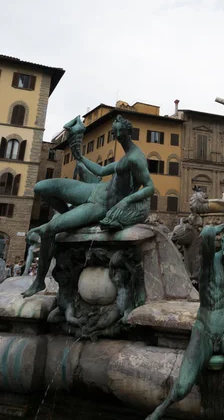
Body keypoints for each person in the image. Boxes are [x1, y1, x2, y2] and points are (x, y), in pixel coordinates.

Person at [145, 223, 224, 420]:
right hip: (205, 333)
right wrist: (219, 228)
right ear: (223, 244)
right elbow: (206, 234)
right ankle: (161, 408)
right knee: (183, 387)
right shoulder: (210, 263)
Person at [22, 115, 154, 298]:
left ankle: (39, 282)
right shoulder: (125, 157)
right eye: (114, 131)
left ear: (128, 132)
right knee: (41, 188)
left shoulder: (135, 158)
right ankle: (70, 218)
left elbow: (150, 187)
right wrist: (80, 157)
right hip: (96, 189)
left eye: (118, 131)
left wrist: (127, 200)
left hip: (102, 205)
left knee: (48, 231)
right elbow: (100, 171)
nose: (115, 134)